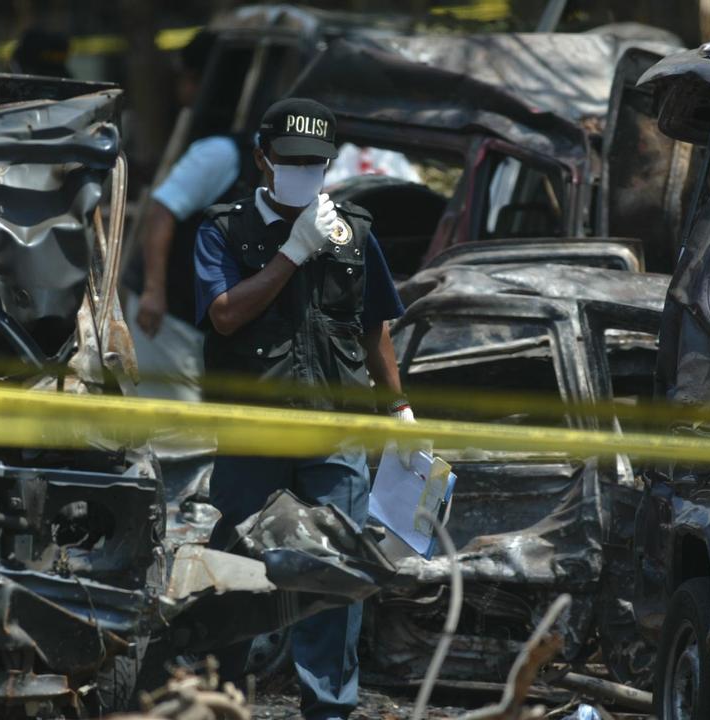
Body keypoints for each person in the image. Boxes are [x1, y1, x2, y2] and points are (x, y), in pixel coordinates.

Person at [195, 97, 414, 720]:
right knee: (239, 571)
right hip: (255, 432)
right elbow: (225, 314)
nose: (302, 173)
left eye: (315, 164)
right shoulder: (223, 230)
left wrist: (398, 406)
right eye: (291, 161)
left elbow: (372, 328)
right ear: (263, 158)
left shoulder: (354, 232)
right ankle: (219, 702)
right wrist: (290, 252)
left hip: (334, 430)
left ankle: (328, 709)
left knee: (334, 581)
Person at [136, 31, 240, 337]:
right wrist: (154, 293)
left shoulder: (224, 149)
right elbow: (161, 211)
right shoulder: (219, 150)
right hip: (172, 318)